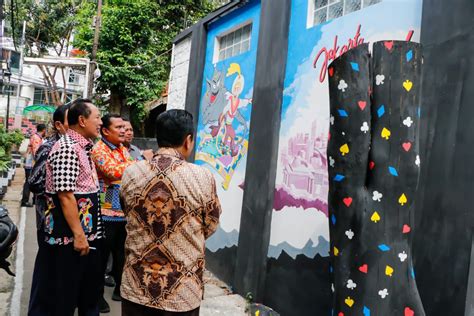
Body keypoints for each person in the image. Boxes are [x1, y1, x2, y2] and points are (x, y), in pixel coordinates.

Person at [120, 109, 222, 316]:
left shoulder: (131, 171)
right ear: (188, 140)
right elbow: (210, 224)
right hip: (181, 291)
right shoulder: (202, 176)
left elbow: (127, 211)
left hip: (137, 285)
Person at [28, 98, 104, 316]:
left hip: (80, 238)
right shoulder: (68, 148)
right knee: (63, 299)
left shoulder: (82, 147)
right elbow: (65, 195)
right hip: (68, 240)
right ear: (82, 120)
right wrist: (79, 235)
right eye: (97, 117)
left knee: (85, 295)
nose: (100, 121)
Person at [91, 114, 151, 312]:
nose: (124, 130)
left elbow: (130, 172)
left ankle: (119, 288)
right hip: (105, 212)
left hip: (123, 212)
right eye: (119, 127)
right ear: (106, 131)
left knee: (121, 254)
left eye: (124, 127)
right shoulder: (99, 149)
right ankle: (97, 296)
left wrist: (135, 164)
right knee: (101, 257)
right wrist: (141, 160)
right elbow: (113, 172)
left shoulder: (122, 149)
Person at [28, 104, 70, 313]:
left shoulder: (76, 147)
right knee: (46, 270)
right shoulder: (49, 147)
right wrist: (59, 189)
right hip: (48, 220)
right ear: (59, 125)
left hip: (65, 223)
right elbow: (34, 182)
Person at [21, 124, 46, 207]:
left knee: (33, 180)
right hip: (32, 163)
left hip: (31, 163)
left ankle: (33, 199)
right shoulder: (36, 138)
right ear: (44, 130)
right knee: (29, 182)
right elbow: (36, 152)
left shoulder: (36, 137)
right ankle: (24, 201)